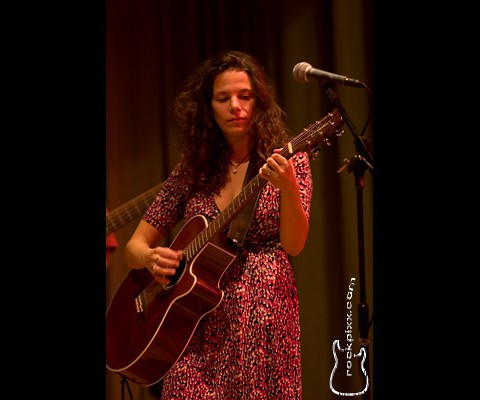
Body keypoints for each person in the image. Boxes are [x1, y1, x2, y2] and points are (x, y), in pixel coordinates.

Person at [123, 50, 313, 399]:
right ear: (208, 108)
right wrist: (151, 259)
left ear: (260, 101)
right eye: (223, 98)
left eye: (245, 96)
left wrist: (288, 187)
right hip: (193, 325)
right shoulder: (193, 169)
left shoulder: (290, 160)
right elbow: (134, 247)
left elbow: (295, 244)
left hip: (264, 314)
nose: (235, 106)